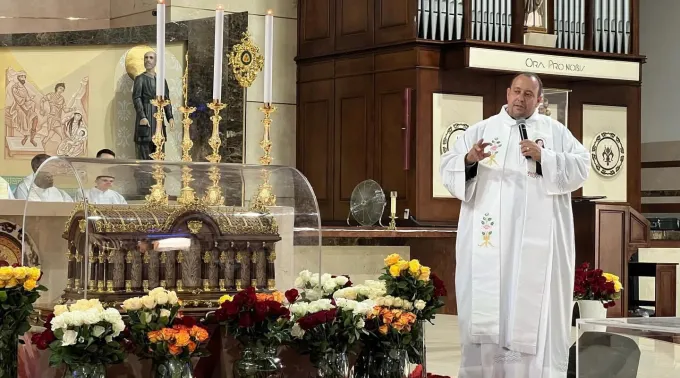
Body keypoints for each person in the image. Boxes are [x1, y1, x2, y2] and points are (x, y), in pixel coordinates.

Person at [440, 72, 590, 378]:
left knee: (533, 305)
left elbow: (582, 165)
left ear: (539, 100)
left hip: (536, 245)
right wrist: (469, 160)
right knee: (491, 303)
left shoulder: (555, 132)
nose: (520, 99)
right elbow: (448, 168)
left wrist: (545, 156)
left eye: (528, 95)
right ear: (507, 93)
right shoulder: (481, 131)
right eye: (516, 92)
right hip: (491, 244)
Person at [132, 51, 174, 160]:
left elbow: (166, 99)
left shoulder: (161, 80)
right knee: (144, 157)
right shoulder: (140, 78)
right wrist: (143, 116)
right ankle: (144, 177)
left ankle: (158, 176)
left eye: (151, 58)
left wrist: (170, 117)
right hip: (145, 118)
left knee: (159, 155)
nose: (148, 60)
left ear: (155, 61)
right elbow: (136, 98)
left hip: (158, 119)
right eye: (146, 57)